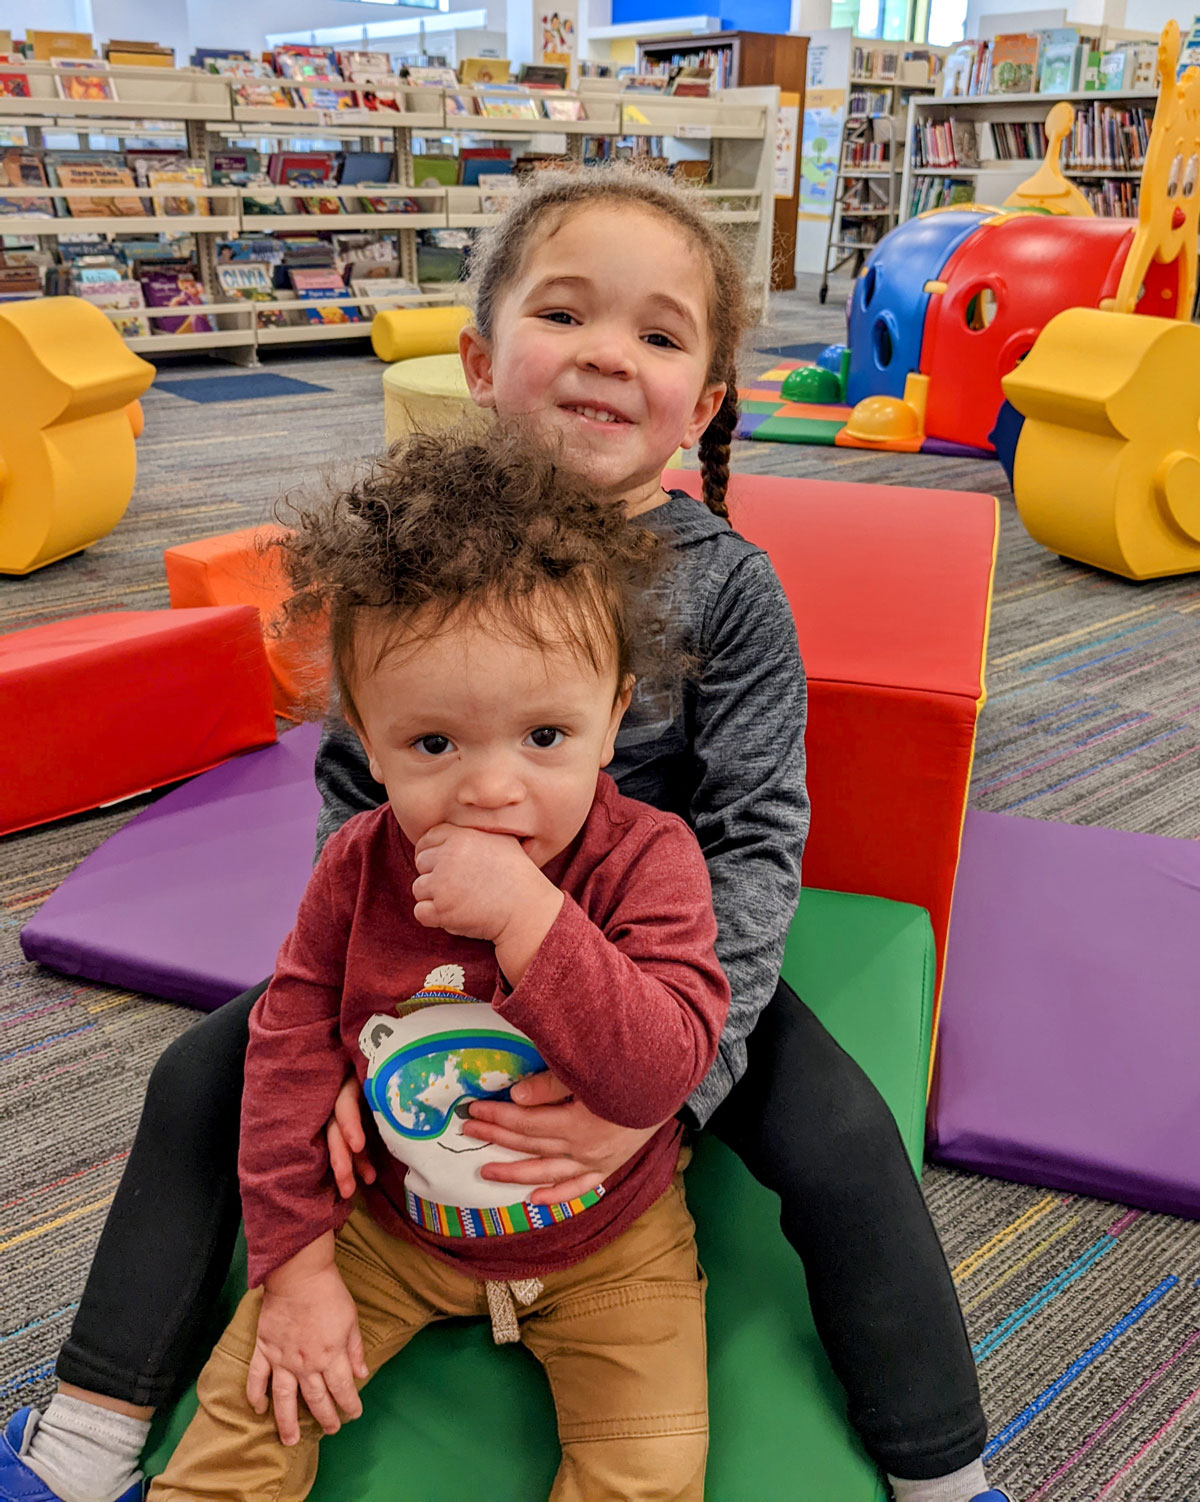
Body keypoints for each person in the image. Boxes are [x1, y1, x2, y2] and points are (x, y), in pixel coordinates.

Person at [0, 167, 1006, 1502]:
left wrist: (676, 1082)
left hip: (654, 954)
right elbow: (354, 801)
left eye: (657, 335)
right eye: (566, 313)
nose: (607, 353)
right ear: (481, 359)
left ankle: (943, 1468)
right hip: (420, 947)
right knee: (202, 1075)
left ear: (703, 402)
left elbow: (758, 842)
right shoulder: (413, 556)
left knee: (841, 1136)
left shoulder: (731, 587)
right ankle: (88, 1424)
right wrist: (364, 1024)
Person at [145, 425, 729, 1499]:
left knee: (648, 1471)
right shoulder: (358, 868)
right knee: (253, 1407)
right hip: (391, 1230)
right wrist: (299, 1266)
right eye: (433, 745)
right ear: (365, 739)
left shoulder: (652, 861)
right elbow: (284, 1054)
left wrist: (530, 918)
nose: (492, 789)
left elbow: (657, 1070)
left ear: (613, 719)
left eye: (544, 735)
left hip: (612, 1246)